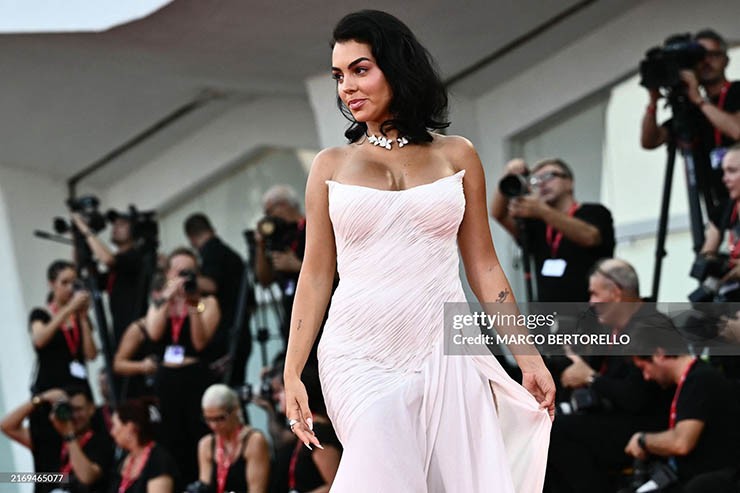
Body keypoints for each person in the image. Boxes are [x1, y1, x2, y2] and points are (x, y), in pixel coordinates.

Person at [283, 10, 554, 492]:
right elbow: (315, 274)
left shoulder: (457, 155)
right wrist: (292, 371)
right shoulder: (329, 165)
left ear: (396, 67)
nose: (347, 87)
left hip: (445, 348)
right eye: (338, 76)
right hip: (356, 353)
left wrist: (527, 356)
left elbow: (484, 266)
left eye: (360, 69)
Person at [546, 259, 674, 493]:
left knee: (557, 431)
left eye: (594, 294)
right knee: (545, 425)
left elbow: (636, 398)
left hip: (643, 424)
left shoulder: (651, 326)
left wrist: (591, 378)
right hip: (611, 416)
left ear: (615, 293)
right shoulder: (610, 329)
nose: (591, 302)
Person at [641, 29, 740, 224]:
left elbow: (737, 130)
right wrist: (652, 102)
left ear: (726, 60)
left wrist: (700, 100)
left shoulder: (736, 91)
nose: (706, 62)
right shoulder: (689, 108)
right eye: (700, 56)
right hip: (716, 203)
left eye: (713, 55)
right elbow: (650, 141)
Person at [626, 329, 740, 492]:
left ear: (659, 354)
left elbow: (681, 443)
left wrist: (643, 440)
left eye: (644, 368)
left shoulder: (701, 380)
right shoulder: (687, 382)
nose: (646, 376)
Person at [490, 157, 615, 302]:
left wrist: (542, 210)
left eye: (549, 176)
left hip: (592, 308)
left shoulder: (594, 212)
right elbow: (498, 214)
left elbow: (590, 237)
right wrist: (508, 175)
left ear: (569, 182)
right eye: (536, 180)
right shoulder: (538, 223)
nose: (542, 183)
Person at [145, 247, 220, 484]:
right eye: (179, 272)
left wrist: (192, 304)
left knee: (198, 432)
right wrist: (168, 298)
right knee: (170, 435)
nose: (184, 277)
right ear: (168, 273)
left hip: (194, 376)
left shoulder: (207, 302)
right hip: (167, 377)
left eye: (189, 271)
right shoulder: (160, 302)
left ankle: (203, 482)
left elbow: (199, 342)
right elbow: (153, 333)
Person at [24, 260, 97, 487]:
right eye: (64, 283)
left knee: (83, 445)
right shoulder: (41, 314)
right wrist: (68, 310)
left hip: (78, 393)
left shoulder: (79, 316)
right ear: (52, 284)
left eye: (73, 283)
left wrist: (82, 317)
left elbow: (91, 353)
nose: (69, 288)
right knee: (49, 455)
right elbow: (39, 339)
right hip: (51, 393)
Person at [1, 385, 115, 493]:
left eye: (78, 409)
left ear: (91, 408)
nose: (74, 415)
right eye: (69, 410)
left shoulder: (102, 441)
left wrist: (69, 435)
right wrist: (41, 398)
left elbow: (86, 477)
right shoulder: (52, 439)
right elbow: (7, 426)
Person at [184, 213, 252, 384]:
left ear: (191, 239)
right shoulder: (232, 255)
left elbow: (211, 284)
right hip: (241, 333)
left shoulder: (211, 251)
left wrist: (187, 280)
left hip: (225, 337)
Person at [72, 210, 149, 345]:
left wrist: (84, 228)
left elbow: (108, 259)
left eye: (122, 224)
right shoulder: (117, 270)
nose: (115, 228)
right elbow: (82, 273)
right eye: (115, 225)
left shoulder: (137, 256)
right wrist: (77, 237)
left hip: (139, 335)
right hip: (121, 336)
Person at [270, 364, 341, 493]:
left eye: (280, 390)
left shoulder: (320, 433)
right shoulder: (305, 428)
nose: (275, 397)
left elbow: (336, 485)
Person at [254, 185, 306, 345]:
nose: (268, 218)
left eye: (269, 212)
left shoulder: (313, 228)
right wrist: (260, 245)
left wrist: (297, 266)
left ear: (283, 205)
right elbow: (264, 280)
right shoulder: (278, 238)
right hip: (292, 322)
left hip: (321, 315)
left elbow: (337, 272)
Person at [196, 384, 270, 493]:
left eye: (220, 418)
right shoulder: (206, 444)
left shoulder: (254, 441)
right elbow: (204, 487)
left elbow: (257, 490)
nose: (213, 425)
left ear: (236, 410)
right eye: (208, 419)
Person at [109, 397, 180, 493]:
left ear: (130, 428)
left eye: (114, 426)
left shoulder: (158, 460)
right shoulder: (125, 459)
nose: (112, 432)